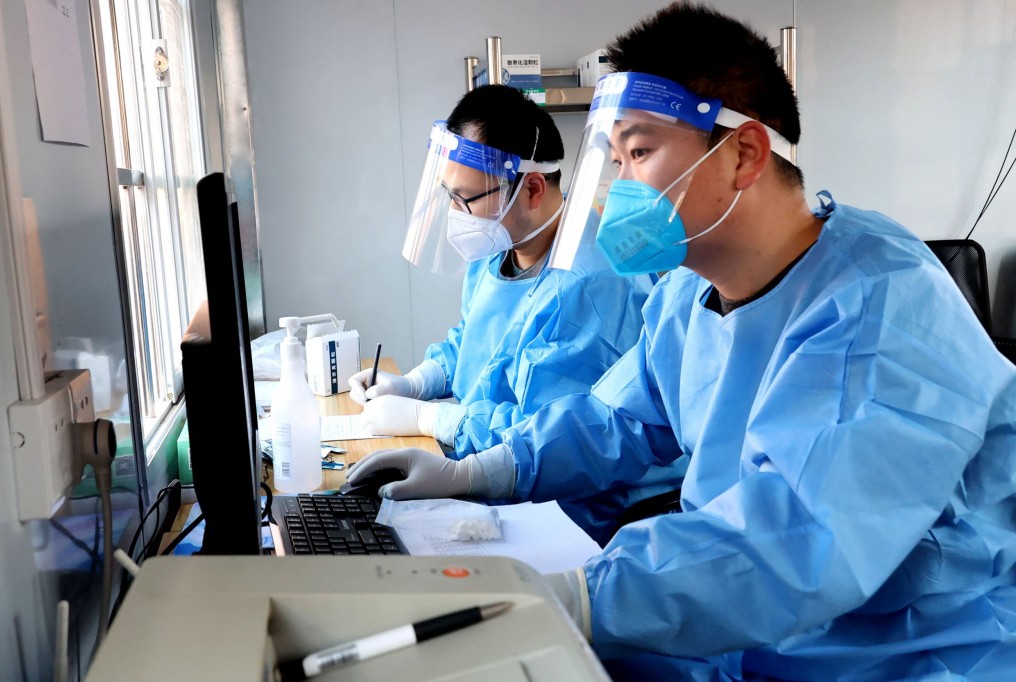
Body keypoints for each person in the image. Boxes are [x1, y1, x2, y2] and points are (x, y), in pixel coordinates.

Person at [346, 4, 1016, 680]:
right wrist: (478, 472)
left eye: (637, 152)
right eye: (612, 158)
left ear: (745, 153)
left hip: (904, 653)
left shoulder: (879, 303)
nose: (618, 185)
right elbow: (615, 421)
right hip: (747, 622)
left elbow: (794, 543)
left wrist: (579, 596)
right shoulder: (685, 293)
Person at [347, 85, 660, 539]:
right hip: (489, 475)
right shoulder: (498, 245)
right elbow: (474, 340)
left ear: (531, 188)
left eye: (466, 199)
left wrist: (429, 419)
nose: (457, 214)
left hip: (568, 513)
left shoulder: (588, 287)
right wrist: (416, 382)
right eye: (448, 196)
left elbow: (551, 438)